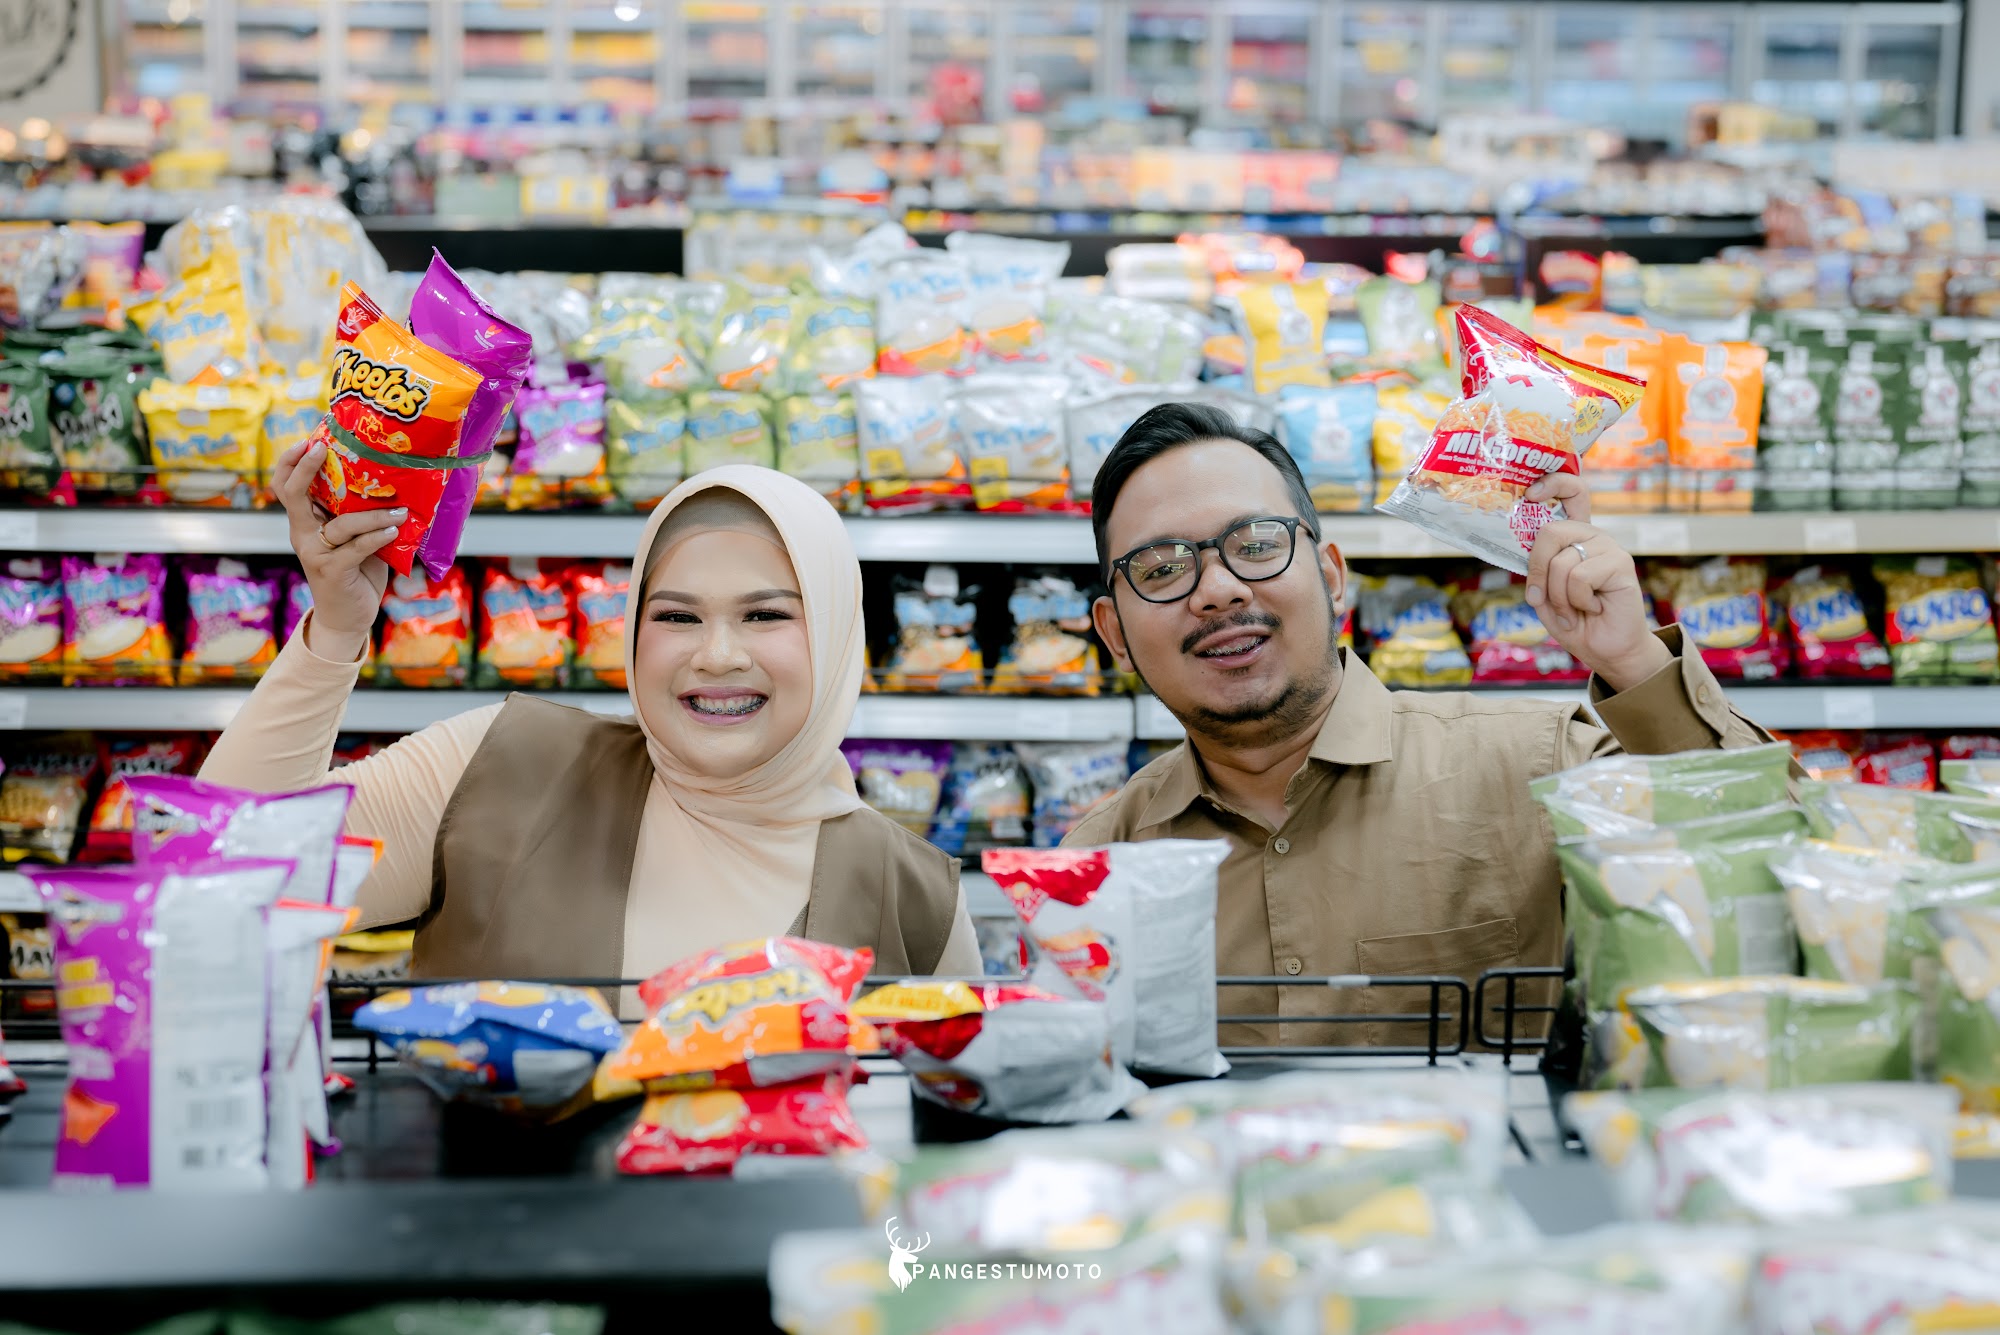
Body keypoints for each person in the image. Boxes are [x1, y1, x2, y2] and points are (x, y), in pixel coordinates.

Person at [1065, 403, 1775, 1048]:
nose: (1218, 591)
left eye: (1254, 545)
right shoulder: (1094, 869)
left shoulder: (1541, 768)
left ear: (1332, 577)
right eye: (1161, 568)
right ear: (1115, 633)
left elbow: (1781, 871)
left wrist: (1633, 660)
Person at [201, 441, 981, 997]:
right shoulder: (502, 769)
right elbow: (214, 873)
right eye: (676, 616)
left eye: (765, 614)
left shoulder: (918, 900)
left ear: (839, 634)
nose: (716, 655)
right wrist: (337, 627)